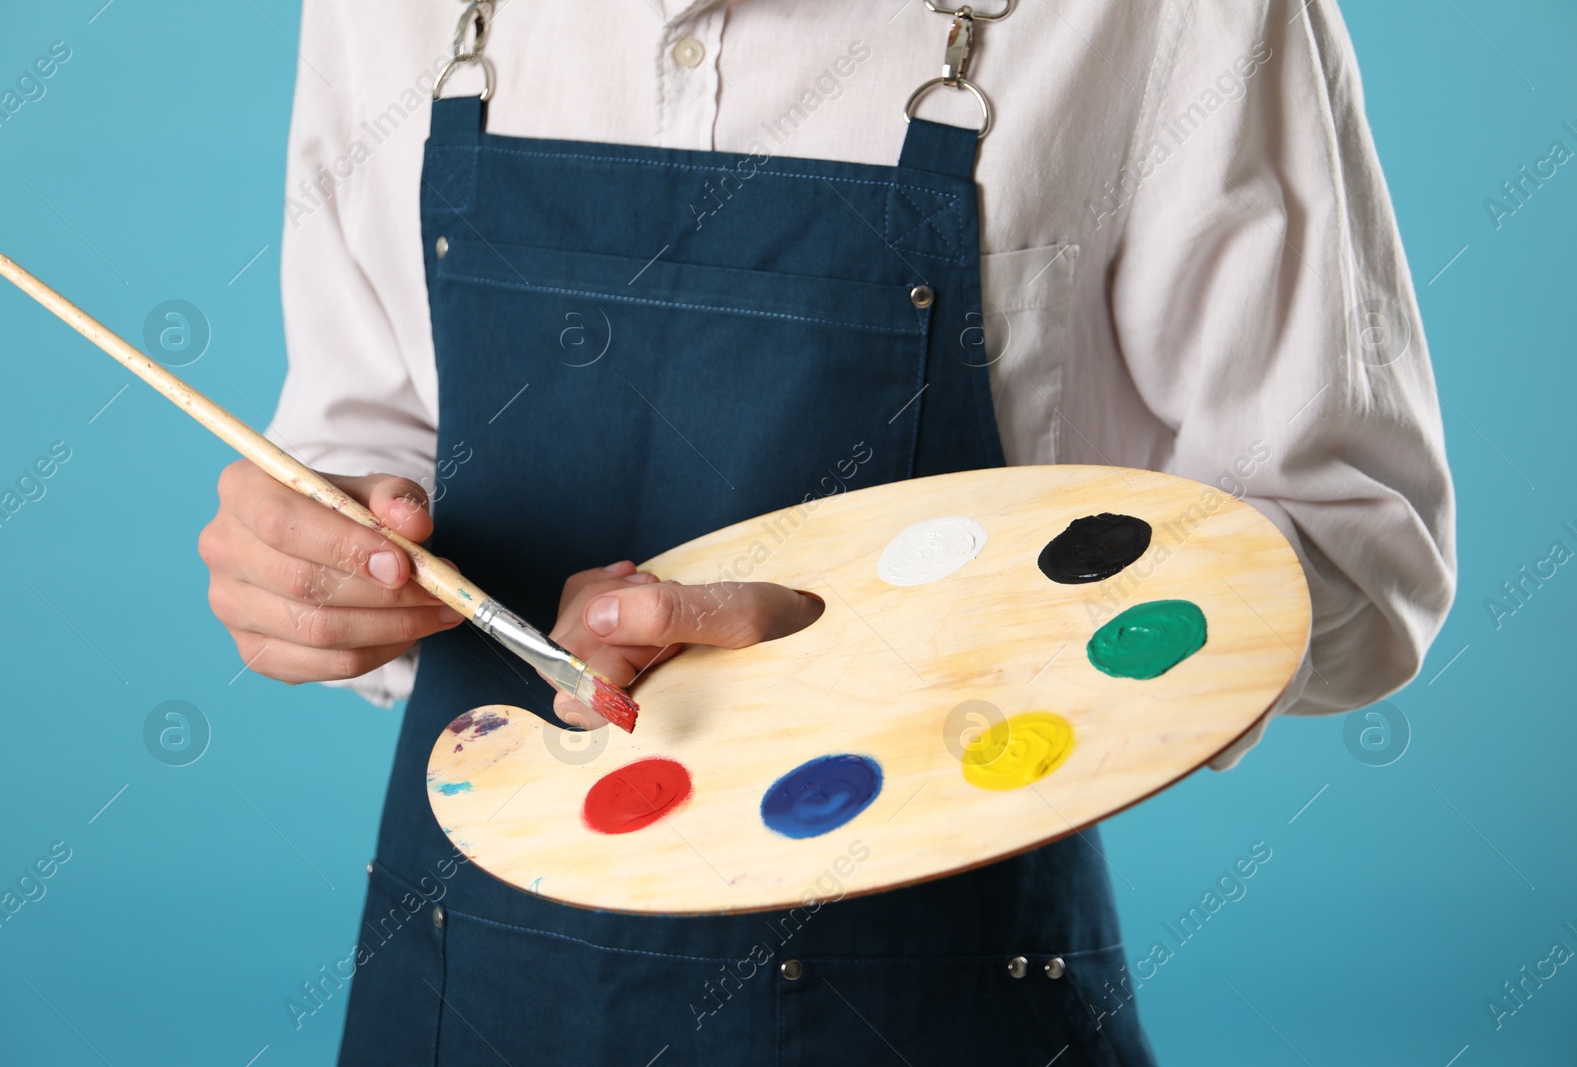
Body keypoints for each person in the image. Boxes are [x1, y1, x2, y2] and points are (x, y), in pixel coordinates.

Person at [195, 1, 1456, 1062]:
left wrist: (874, 632)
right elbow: (371, 439)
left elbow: (1352, 555)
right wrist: (326, 576)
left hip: (931, 993)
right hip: (466, 978)